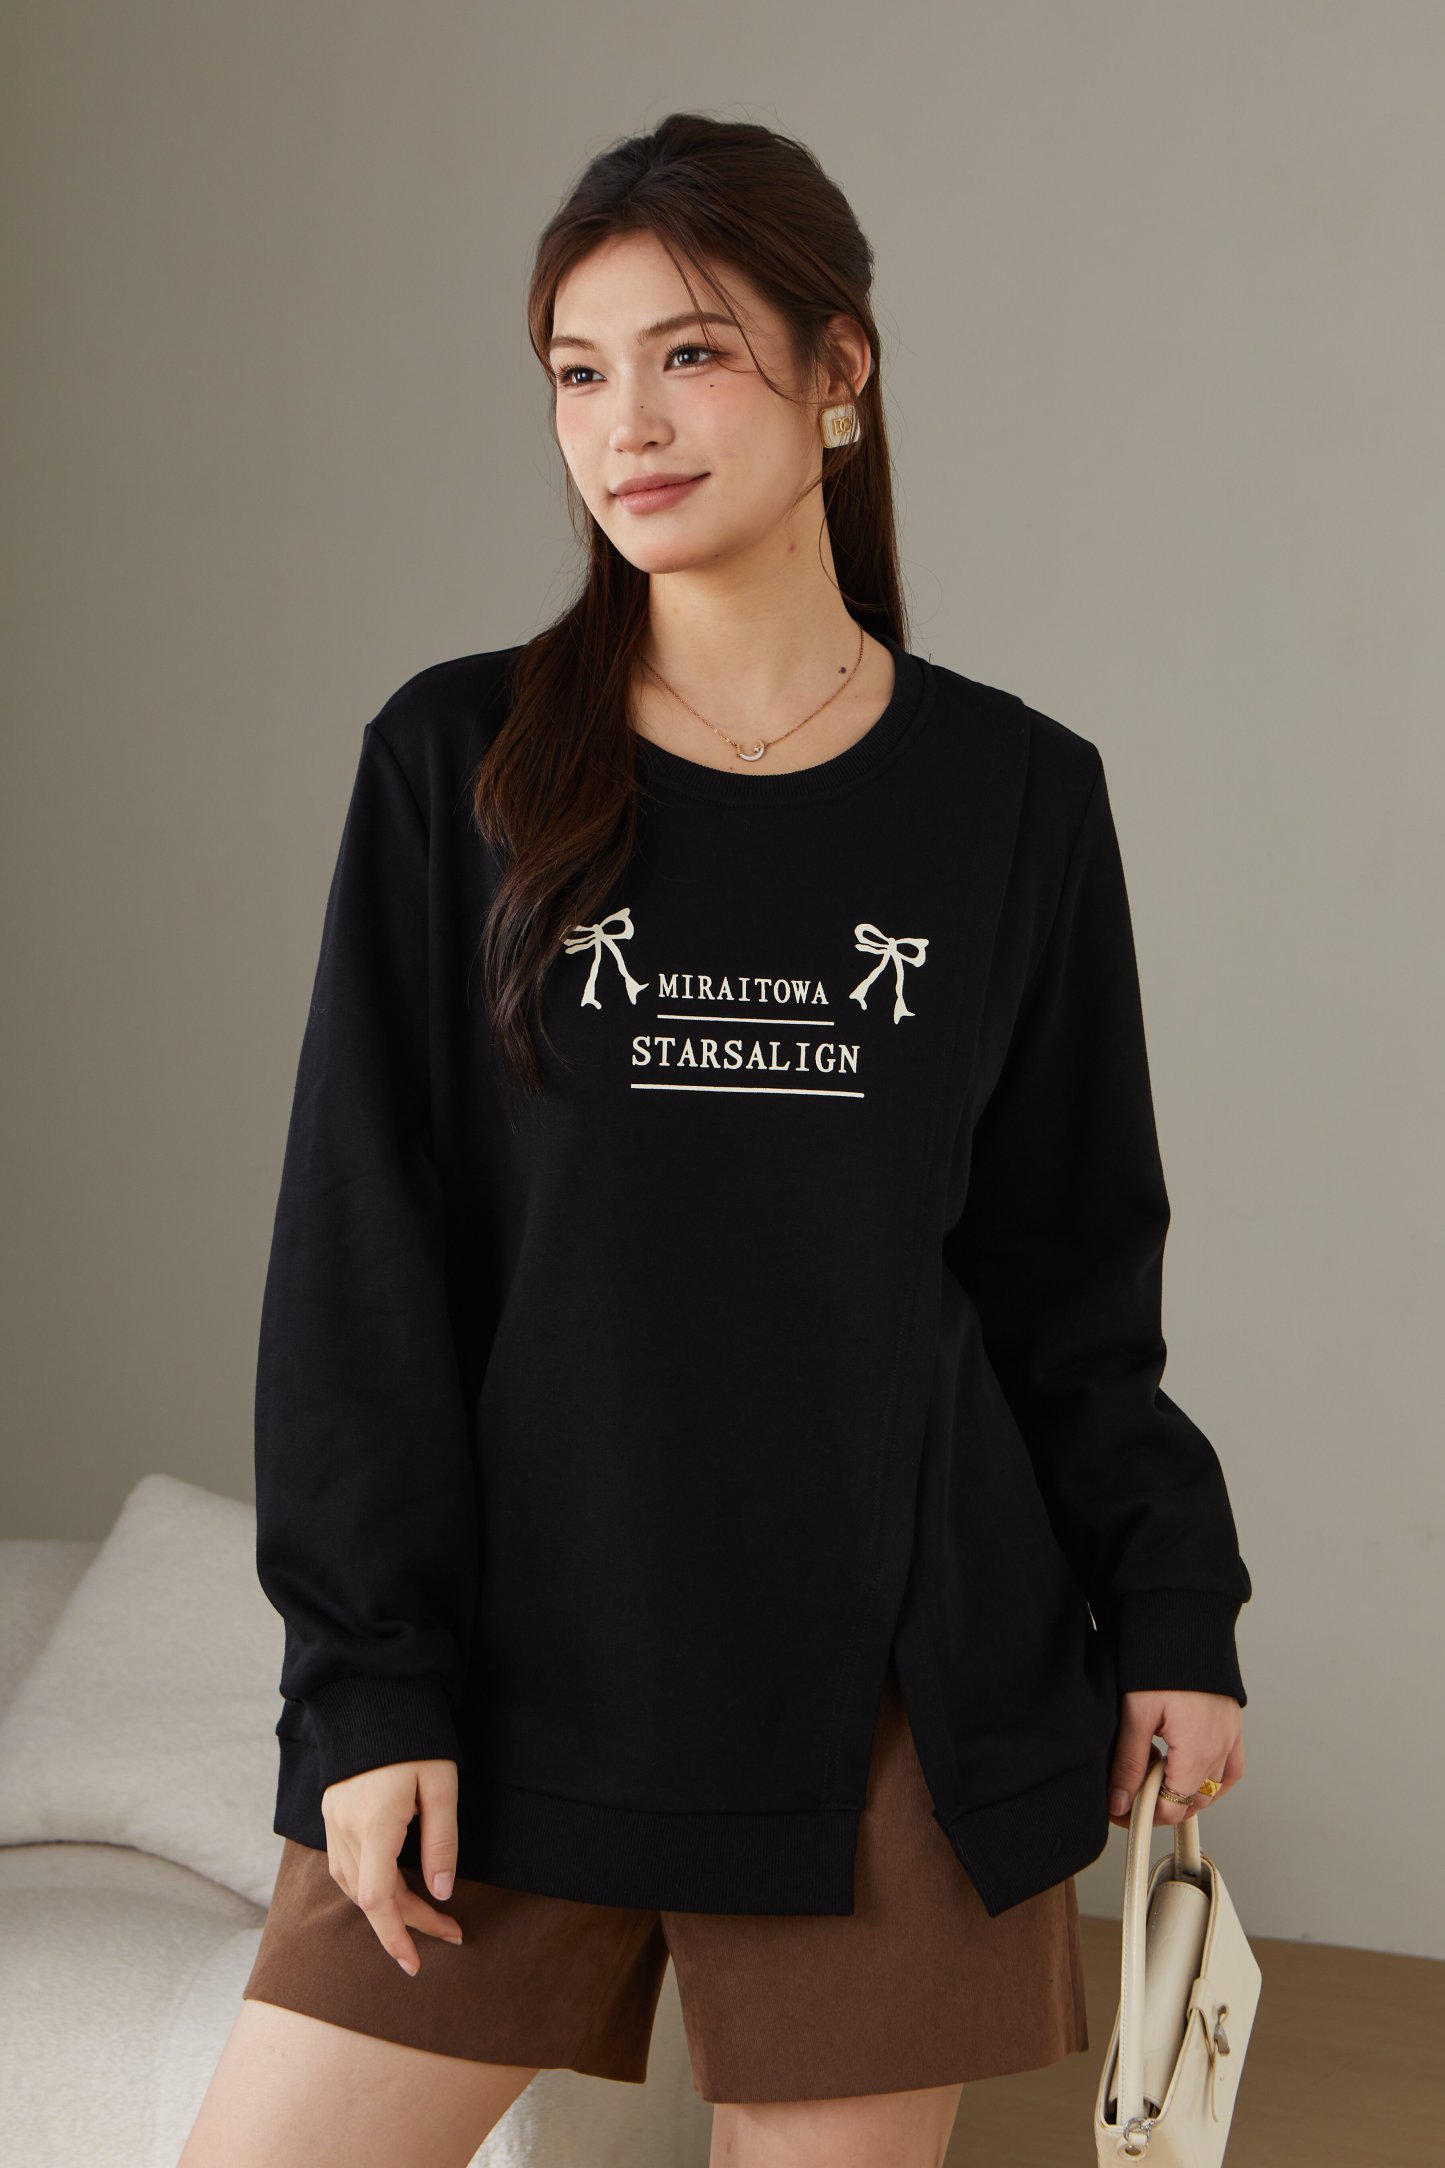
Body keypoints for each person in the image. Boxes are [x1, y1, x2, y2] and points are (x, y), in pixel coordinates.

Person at [181, 112, 1250, 2168]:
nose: (626, 425)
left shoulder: (1014, 797)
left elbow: (1064, 1275)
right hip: (513, 1669)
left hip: (890, 1695)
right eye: (578, 372)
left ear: (840, 368)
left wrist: (1172, 1606)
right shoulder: (460, 764)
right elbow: (361, 1267)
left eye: (689, 355)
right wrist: (369, 1688)